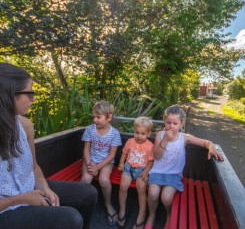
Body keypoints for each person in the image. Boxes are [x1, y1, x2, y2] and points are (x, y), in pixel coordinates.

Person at [0, 63, 98, 229]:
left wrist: (45, 188)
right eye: (29, 93)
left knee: (88, 193)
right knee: (70, 219)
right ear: (8, 94)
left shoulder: (25, 126)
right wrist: (21, 199)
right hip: (6, 208)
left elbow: (34, 167)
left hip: (28, 189)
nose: (33, 99)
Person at [145, 104, 224, 229]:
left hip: (173, 174)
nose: (171, 126)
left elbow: (205, 142)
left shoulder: (184, 138)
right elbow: (157, 156)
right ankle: (152, 215)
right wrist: (164, 140)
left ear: (181, 124)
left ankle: (169, 215)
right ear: (164, 122)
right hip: (157, 172)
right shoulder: (160, 135)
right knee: (153, 193)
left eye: (175, 123)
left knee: (166, 198)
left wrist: (211, 148)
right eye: (168, 122)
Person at [80, 100, 122, 226]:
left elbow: (111, 156)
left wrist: (98, 167)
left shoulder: (114, 134)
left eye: (98, 117)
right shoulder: (90, 130)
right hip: (90, 160)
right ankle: (79, 204)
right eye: (94, 116)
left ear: (109, 117)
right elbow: (86, 149)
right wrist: (89, 164)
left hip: (106, 162)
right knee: (86, 178)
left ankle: (108, 204)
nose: (95, 120)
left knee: (104, 180)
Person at [117, 117, 154, 229]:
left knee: (141, 188)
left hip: (141, 170)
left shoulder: (150, 146)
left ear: (148, 133)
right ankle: (122, 209)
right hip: (128, 168)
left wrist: (146, 172)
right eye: (136, 132)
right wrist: (121, 163)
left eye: (142, 133)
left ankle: (141, 214)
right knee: (123, 186)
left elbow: (151, 161)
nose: (139, 136)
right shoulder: (130, 142)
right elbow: (124, 153)